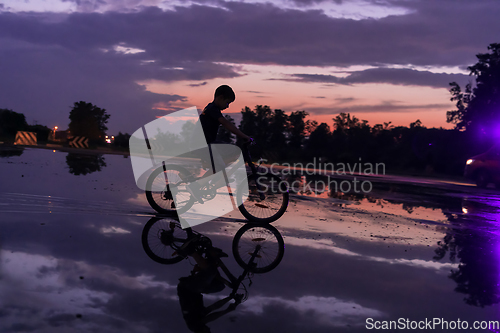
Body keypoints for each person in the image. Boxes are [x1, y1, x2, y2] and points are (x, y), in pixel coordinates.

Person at [188, 85, 252, 203]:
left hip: (209, 143)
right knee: (219, 166)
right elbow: (226, 124)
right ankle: (195, 186)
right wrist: (243, 136)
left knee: (232, 152)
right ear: (220, 97)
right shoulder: (212, 109)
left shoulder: (212, 108)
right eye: (227, 102)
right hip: (202, 145)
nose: (227, 106)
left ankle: (218, 175)